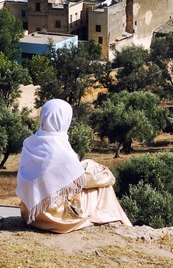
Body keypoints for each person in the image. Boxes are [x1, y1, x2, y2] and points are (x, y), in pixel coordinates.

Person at [16, 98, 132, 233]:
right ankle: (122, 222)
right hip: (54, 218)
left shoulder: (30, 142)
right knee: (102, 187)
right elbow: (81, 182)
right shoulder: (59, 149)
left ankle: (119, 219)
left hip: (29, 213)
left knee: (88, 164)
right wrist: (107, 177)